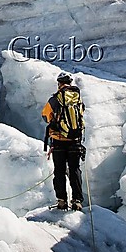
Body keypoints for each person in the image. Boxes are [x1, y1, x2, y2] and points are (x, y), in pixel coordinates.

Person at [41, 72, 85, 210]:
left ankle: (62, 201)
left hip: (59, 141)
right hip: (75, 141)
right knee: (74, 170)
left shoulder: (55, 100)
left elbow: (45, 116)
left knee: (59, 171)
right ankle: (77, 201)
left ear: (59, 83)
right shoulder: (78, 99)